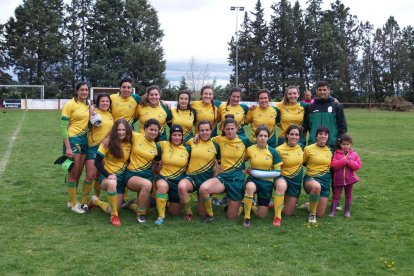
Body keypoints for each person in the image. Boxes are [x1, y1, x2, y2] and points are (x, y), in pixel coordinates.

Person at [199, 118, 251, 222]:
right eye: (227, 129)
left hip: (237, 179)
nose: (230, 131)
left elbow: (256, 153)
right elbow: (205, 137)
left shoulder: (244, 141)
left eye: (232, 128)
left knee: (231, 217)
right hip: (223, 177)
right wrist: (197, 135)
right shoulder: (219, 139)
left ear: (237, 129)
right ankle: (210, 215)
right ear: (223, 129)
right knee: (203, 188)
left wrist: (248, 170)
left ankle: (240, 205)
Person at [90, 119, 132, 226]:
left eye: (123, 130)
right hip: (107, 179)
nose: (121, 132)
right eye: (118, 130)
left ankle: (96, 201)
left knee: (112, 208)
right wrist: (108, 175)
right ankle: (114, 216)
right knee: (112, 184)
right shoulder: (107, 143)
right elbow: (97, 162)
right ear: (114, 130)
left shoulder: (130, 142)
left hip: (122, 179)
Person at [177, 120, 219, 221]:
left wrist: (215, 176)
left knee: (202, 213)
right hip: (192, 178)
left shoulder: (216, 144)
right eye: (202, 130)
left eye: (207, 130)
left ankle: (207, 200)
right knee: (182, 186)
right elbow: (178, 143)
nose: (205, 132)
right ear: (198, 131)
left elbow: (219, 163)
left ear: (211, 130)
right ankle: (188, 213)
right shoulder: (191, 141)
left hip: (205, 181)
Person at [243, 126, 283, 228]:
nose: (263, 138)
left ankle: (251, 206)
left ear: (268, 138)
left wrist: (259, 173)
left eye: (265, 136)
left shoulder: (273, 152)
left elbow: (278, 172)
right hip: (253, 180)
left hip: (267, 183)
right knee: (250, 187)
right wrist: (245, 170)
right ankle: (247, 218)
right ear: (256, 137)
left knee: (262, 215)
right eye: (260, 135)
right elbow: (241, 161)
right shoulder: (250, 150)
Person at [123, 119, 161, 223]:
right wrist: (108, 138)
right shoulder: (135, 136)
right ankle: (140, 215)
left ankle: (131, 205)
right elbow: (119, 131)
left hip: (147, 176)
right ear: (145, 129)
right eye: (151, 129)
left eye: (155, 130)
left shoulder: (157, 147)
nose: (153, 132)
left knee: (146, 209)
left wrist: (157, 168)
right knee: (147, 185)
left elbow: (155, 165)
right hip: (132, 175)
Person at [61, 82, 90, 214]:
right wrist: (67, 147)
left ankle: (71, 200)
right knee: (73, 172)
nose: (84, 92)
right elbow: (63, 127)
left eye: (86, 90)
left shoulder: (88, 105)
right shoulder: (69, 105)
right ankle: (73, 204)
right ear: (77, 91)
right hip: (73, 140)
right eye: (82, 90)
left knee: (78, 172)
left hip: (84, 141)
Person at [154, 125, 191, 225]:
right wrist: (157, 164)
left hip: (178, 182)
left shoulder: (187, 149)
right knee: (162, 186)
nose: (177, 137)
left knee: (174, 212)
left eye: (179, 135)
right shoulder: (163, 145)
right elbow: (150, 145)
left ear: (182, 136)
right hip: (164, 177)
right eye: (174, 135)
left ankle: (165, 201)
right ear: (170, 135)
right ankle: (161, 216)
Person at [83, 94, 114, 210]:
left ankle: (96, 197)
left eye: (107, 101)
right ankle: (84, 201)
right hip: (93, 147)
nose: (105, 103)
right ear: (98, 102)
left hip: (106, 149)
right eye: (103, 101)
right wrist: (91, 108)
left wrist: (109, 137)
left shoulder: (111, 115)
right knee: (90, 175)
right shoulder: (93, 111)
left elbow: (113, 130)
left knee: (98, 175)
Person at [303, 80, 347, 147]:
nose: (322, 92)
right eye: (320, 90)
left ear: (329, 90)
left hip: (331, 145)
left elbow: (343, 127)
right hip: (313, 145)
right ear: (316, 91)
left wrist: (337, 141)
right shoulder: (310, 107)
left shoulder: (337, 106)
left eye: (324, 90)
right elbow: (305, 127)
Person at [303, 126, 333, 224]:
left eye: (325, 134)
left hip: (325, 181)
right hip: (311, 179)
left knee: (320, 214)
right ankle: (312, 214)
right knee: (316, 186)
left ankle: (309, 205)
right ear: (316, 136)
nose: (323, 136)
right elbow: (303, 162)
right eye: (320, 134)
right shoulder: (308, 149)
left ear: (328, 137)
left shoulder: (330, 150)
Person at [329, 134, 362, 218]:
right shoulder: (336, 153)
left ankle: (347, 211)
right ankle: (332, 211)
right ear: (340, 144)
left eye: (347, 144)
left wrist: (349, 162)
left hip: (349, 179)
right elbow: (333, 165)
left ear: (350, 144)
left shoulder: (354, 154)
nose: (345, 146)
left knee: (349, 195)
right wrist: (344, 161)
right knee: (336, 196)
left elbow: (358, 166)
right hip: (338, 179)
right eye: (343, 144)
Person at [275, 125, 304, 220]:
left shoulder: (301, 148)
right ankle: (277, 217)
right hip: (282, 178)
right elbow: (273, 168)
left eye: (296, 135)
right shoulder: (279, 150)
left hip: (295, 182)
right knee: (281, 186)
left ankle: (280, 202)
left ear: (299, 137)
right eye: (291, 134)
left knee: (288, 213)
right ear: (287, 135)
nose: (294, 137)